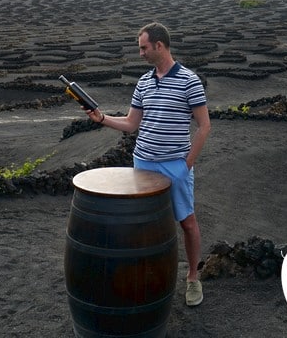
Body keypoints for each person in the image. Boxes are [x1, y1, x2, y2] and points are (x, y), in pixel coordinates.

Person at [86, 22, 211, 307]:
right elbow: (132, 124)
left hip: (174, 165)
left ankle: (193, 278)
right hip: (142, 163)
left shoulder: (189, 81)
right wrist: (102, 119)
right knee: (142, 226)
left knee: (187, 223)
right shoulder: (143, 82)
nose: (140, 53)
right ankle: (146, 276)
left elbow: (204, 127)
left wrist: (186, 164)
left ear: (159, 45)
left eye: (143, 47)